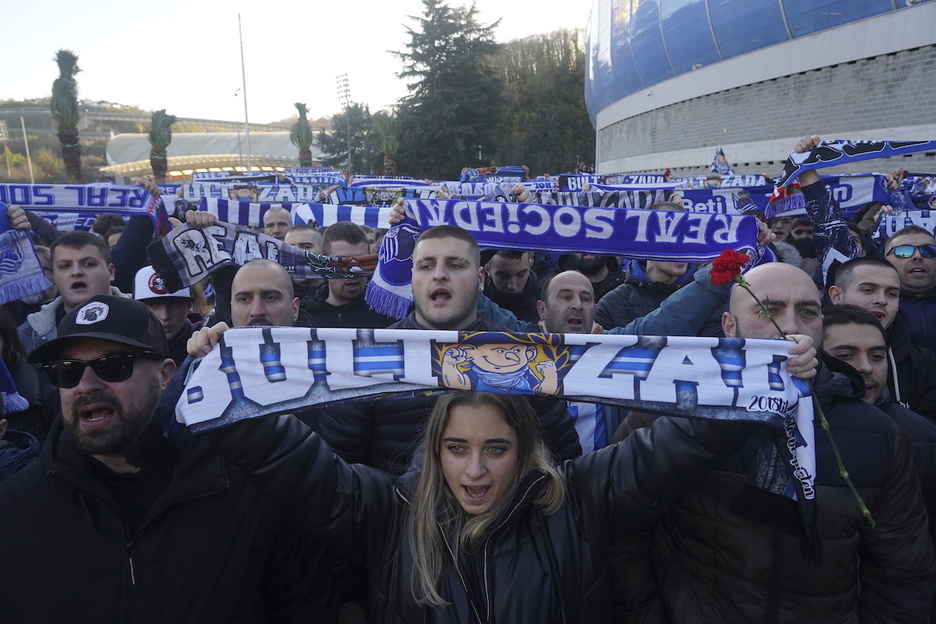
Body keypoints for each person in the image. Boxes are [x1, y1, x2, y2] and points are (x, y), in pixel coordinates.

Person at [204, 389, 768, 623]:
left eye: (495, 449)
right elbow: (291, 463)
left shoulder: (577, 499)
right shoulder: (386, 510)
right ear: (434, 450)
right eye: (457, 449)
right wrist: (222, 380)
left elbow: (681, 445)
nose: (474, 472)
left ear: (523, 448)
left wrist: (759, 377)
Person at [624, 261, 935, 621]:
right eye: (768, 310)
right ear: (729, 326)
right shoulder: (669, 413)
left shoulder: (877, 433)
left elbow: (902, 571)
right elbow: (624, 534)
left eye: (807, 312)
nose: (789, 327)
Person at [0, 295, 337, 623]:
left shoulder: (255, 493)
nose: (86, 385)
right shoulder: (14, 510)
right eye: (67, 371)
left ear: (165, 375)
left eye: (113, 365)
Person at [828, 256, 936, 422]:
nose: (882, 300)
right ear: (836, 296)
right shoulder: (809, 349)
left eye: (891, 294)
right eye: (868, 290)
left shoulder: (923, 363)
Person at [17, 230, 127, 357]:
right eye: (64, 266)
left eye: (88, 264)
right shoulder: (26, 336)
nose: (76, 272)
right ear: (54, 276)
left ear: (110, 272)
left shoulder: (147, 319)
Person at [299, 221, 396, 329]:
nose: (352, 271)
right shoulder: (304, 315)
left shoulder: (390, 309)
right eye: (342, 262)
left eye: (360, 261)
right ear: (324, 262)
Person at [884, 225, 936, 356]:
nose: (917, 256)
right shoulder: (873, 306)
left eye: (928, 250)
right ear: (886, 261)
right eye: (904, 251)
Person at [133, 266, 197, 366]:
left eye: (175, 304)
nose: (165, 315)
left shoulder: (208, 347)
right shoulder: (123, 349)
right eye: (153, 305)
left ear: (189, 306)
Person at [481, 250, 540, 323]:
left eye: (521, 275)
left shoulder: (545, 301)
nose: (512, 286)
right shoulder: (475, 301)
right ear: (487, 270)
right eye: (503, 276)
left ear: (529, 267)